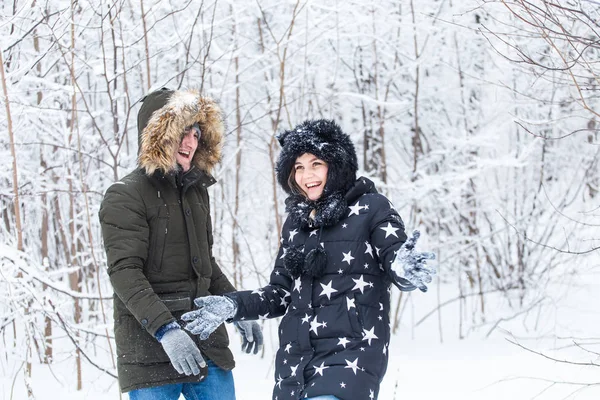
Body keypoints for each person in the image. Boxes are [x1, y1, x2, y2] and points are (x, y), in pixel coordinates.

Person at [181, 119, 436, 400]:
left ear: (336, 165)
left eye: (316, 164)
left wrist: (406, 268)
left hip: (350, 360)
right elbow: (280, 293)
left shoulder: (371, 208)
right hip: (295, 365)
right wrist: (232, 304)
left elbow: (395, 258)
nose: (307, 175)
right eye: (298, 167)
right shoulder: (296, 223)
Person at [99, 88, 263, 399]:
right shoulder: (125, 194)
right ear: (158, 135)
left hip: (207, 344)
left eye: (196, 132)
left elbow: (205, 266)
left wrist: (237, 306)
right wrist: (167, 330)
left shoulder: (196, 192)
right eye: (182, 131)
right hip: (151, 352)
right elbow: (125, 273)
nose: (190, 141)